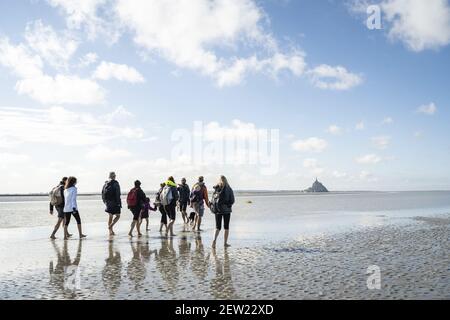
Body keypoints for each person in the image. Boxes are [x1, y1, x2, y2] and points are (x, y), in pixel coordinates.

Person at [211, 176, 235, 248]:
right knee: (226, 227)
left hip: (217, 210)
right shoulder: (229, 189)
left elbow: (212, 199)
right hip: (226, 210)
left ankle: (214, 241)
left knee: (217, 227)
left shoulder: (216, 189)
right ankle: (225, 243)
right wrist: (228, 205)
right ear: (226, 180)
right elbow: (232, 200)